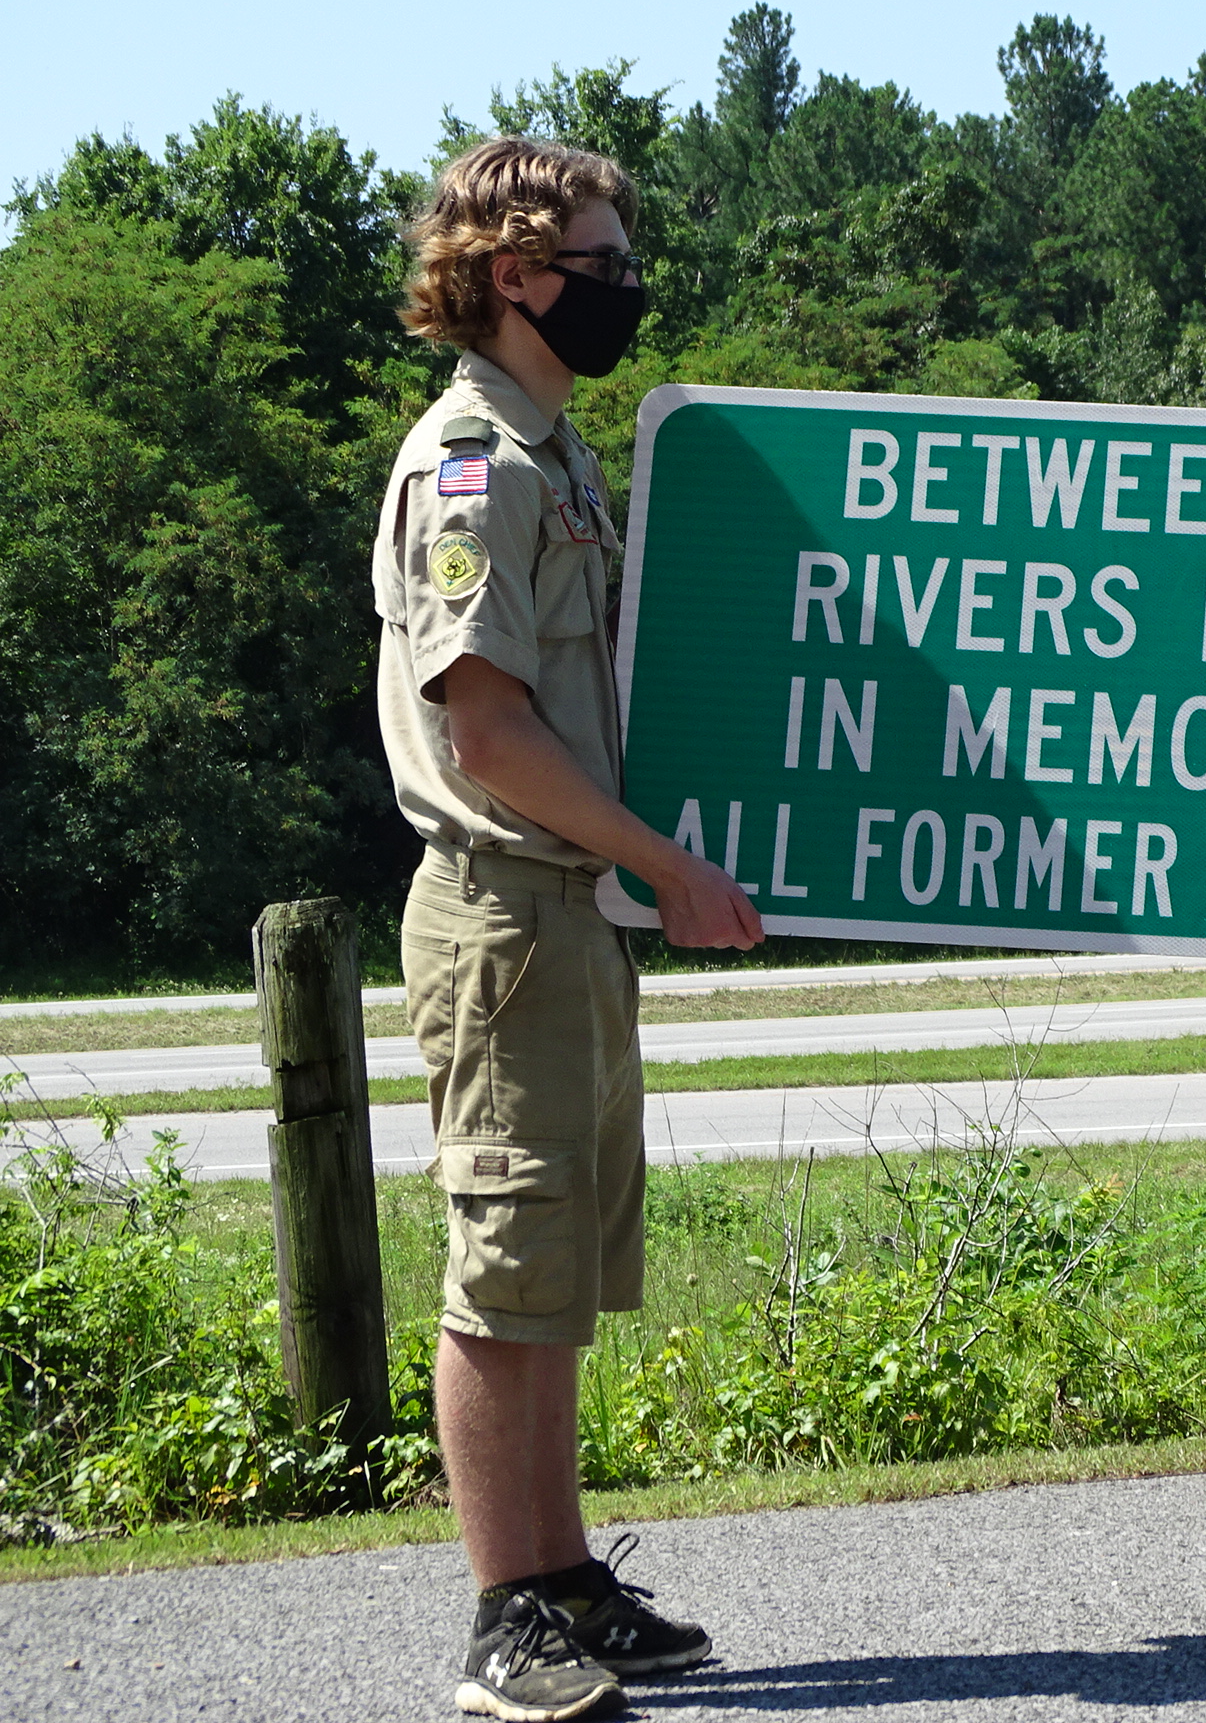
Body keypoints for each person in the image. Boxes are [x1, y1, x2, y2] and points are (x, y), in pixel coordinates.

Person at [380, 137, 765, 1719]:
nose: (626, 288)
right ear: (517, 275)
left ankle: (560, 1580)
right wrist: (667, 865)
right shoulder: (476, 464)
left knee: (558, 1281)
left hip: (568, 916)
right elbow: (491, 734)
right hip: (504, 916)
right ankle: (502, 1622)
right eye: (602, 263)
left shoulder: (562, 452)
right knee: (503, 1273)